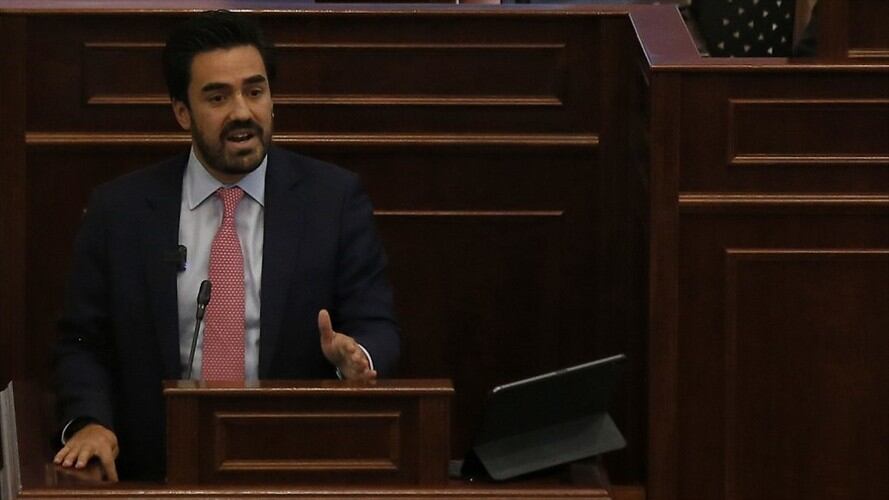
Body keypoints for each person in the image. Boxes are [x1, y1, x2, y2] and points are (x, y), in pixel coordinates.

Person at [52, 10, 400, 482]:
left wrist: (356, 360)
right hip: (155, 471)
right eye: (218, 97)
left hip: (295, 466)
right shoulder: (121, 210)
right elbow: (80, 342)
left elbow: (376, 323)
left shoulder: (332, 200)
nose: (242, 112)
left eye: (255, 92)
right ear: (182, 112)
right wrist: (90, 421)